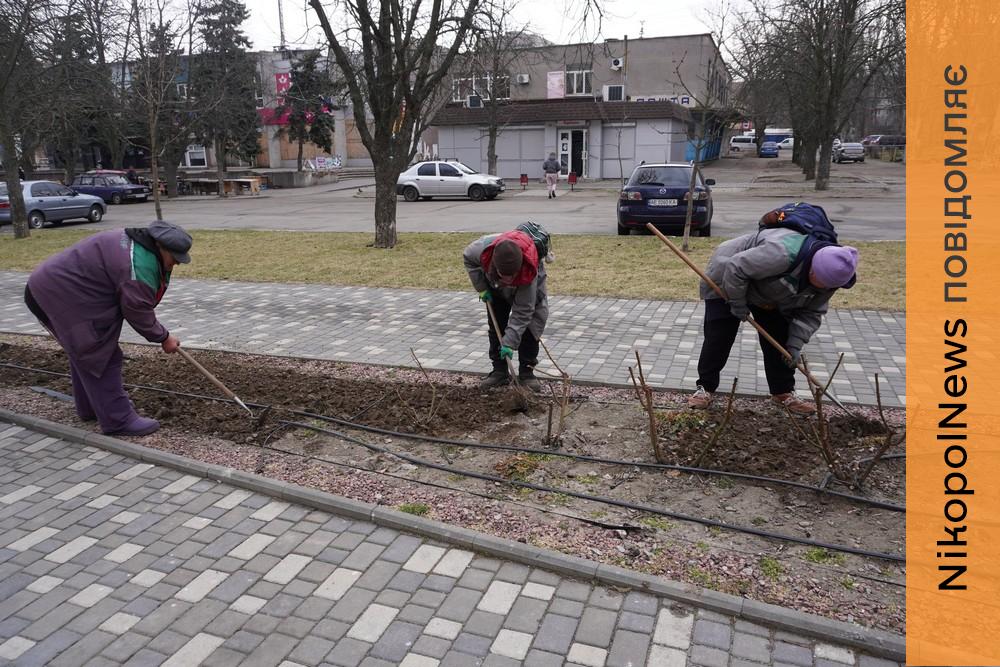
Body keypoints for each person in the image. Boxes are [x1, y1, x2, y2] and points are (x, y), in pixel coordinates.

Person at [23, 220, 193, 436]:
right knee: (101, 355)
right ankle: (118, 421)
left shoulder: (137, 242)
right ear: (160, 246)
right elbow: (137, 310)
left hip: (55, 290)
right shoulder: (137, 266)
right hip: (60, 296)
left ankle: (92, 407)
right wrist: (163, 337)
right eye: (175, 258)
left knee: (85, 352)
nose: (176, 264)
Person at [688, 218, 859, 415]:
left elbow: (810, 313)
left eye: (827, 286)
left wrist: (794, 346)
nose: (821, 289)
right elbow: (736, 267)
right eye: (819, 282)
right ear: (812, 268)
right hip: (727, 273)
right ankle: (705, 388)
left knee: (779, 335)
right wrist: (738, 304)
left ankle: (782, 392)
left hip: (768, 288)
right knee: (720, 334)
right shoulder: (782, 253)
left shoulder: (831, 278)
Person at [464, 228, 549, 391]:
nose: (508, 279)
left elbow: (523, 311)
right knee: (497, 325)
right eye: (505, 274)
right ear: (495, 265)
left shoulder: (528, 270)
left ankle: (527, 373)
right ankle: (499, 371)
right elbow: (468, 259)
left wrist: (509, 343)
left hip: (528, 288)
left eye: (512, 275)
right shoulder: (481, 251)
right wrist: (481, 287)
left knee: (531, 327)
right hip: (495, 285)